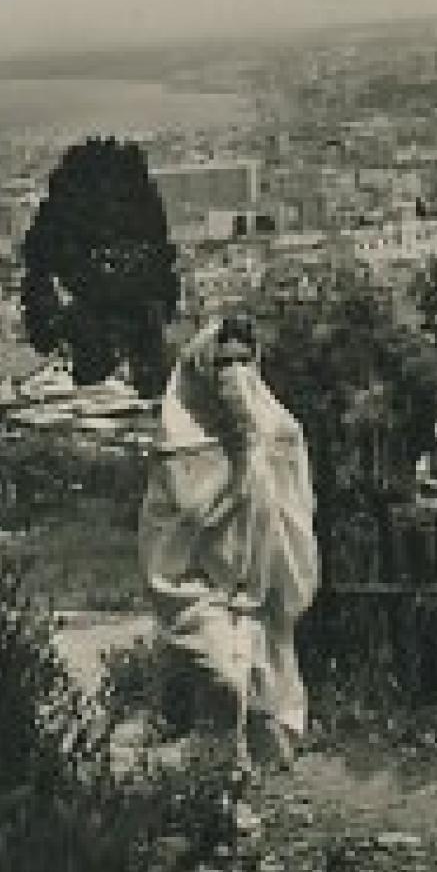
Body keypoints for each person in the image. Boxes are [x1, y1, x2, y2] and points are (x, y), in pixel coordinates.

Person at [138, 314, 320, 783]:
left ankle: (228, 788)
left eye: (244, 360)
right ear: (203, 367)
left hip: (257, 583)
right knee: (225, 674)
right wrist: (235, 472)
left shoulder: (275, 428)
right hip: (197, 587)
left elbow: (295, 499)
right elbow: (184, 522)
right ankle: (215, 787)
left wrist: (263, 454)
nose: (235, 373)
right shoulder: (182, 443)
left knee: (259, 686)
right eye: (224, 362)